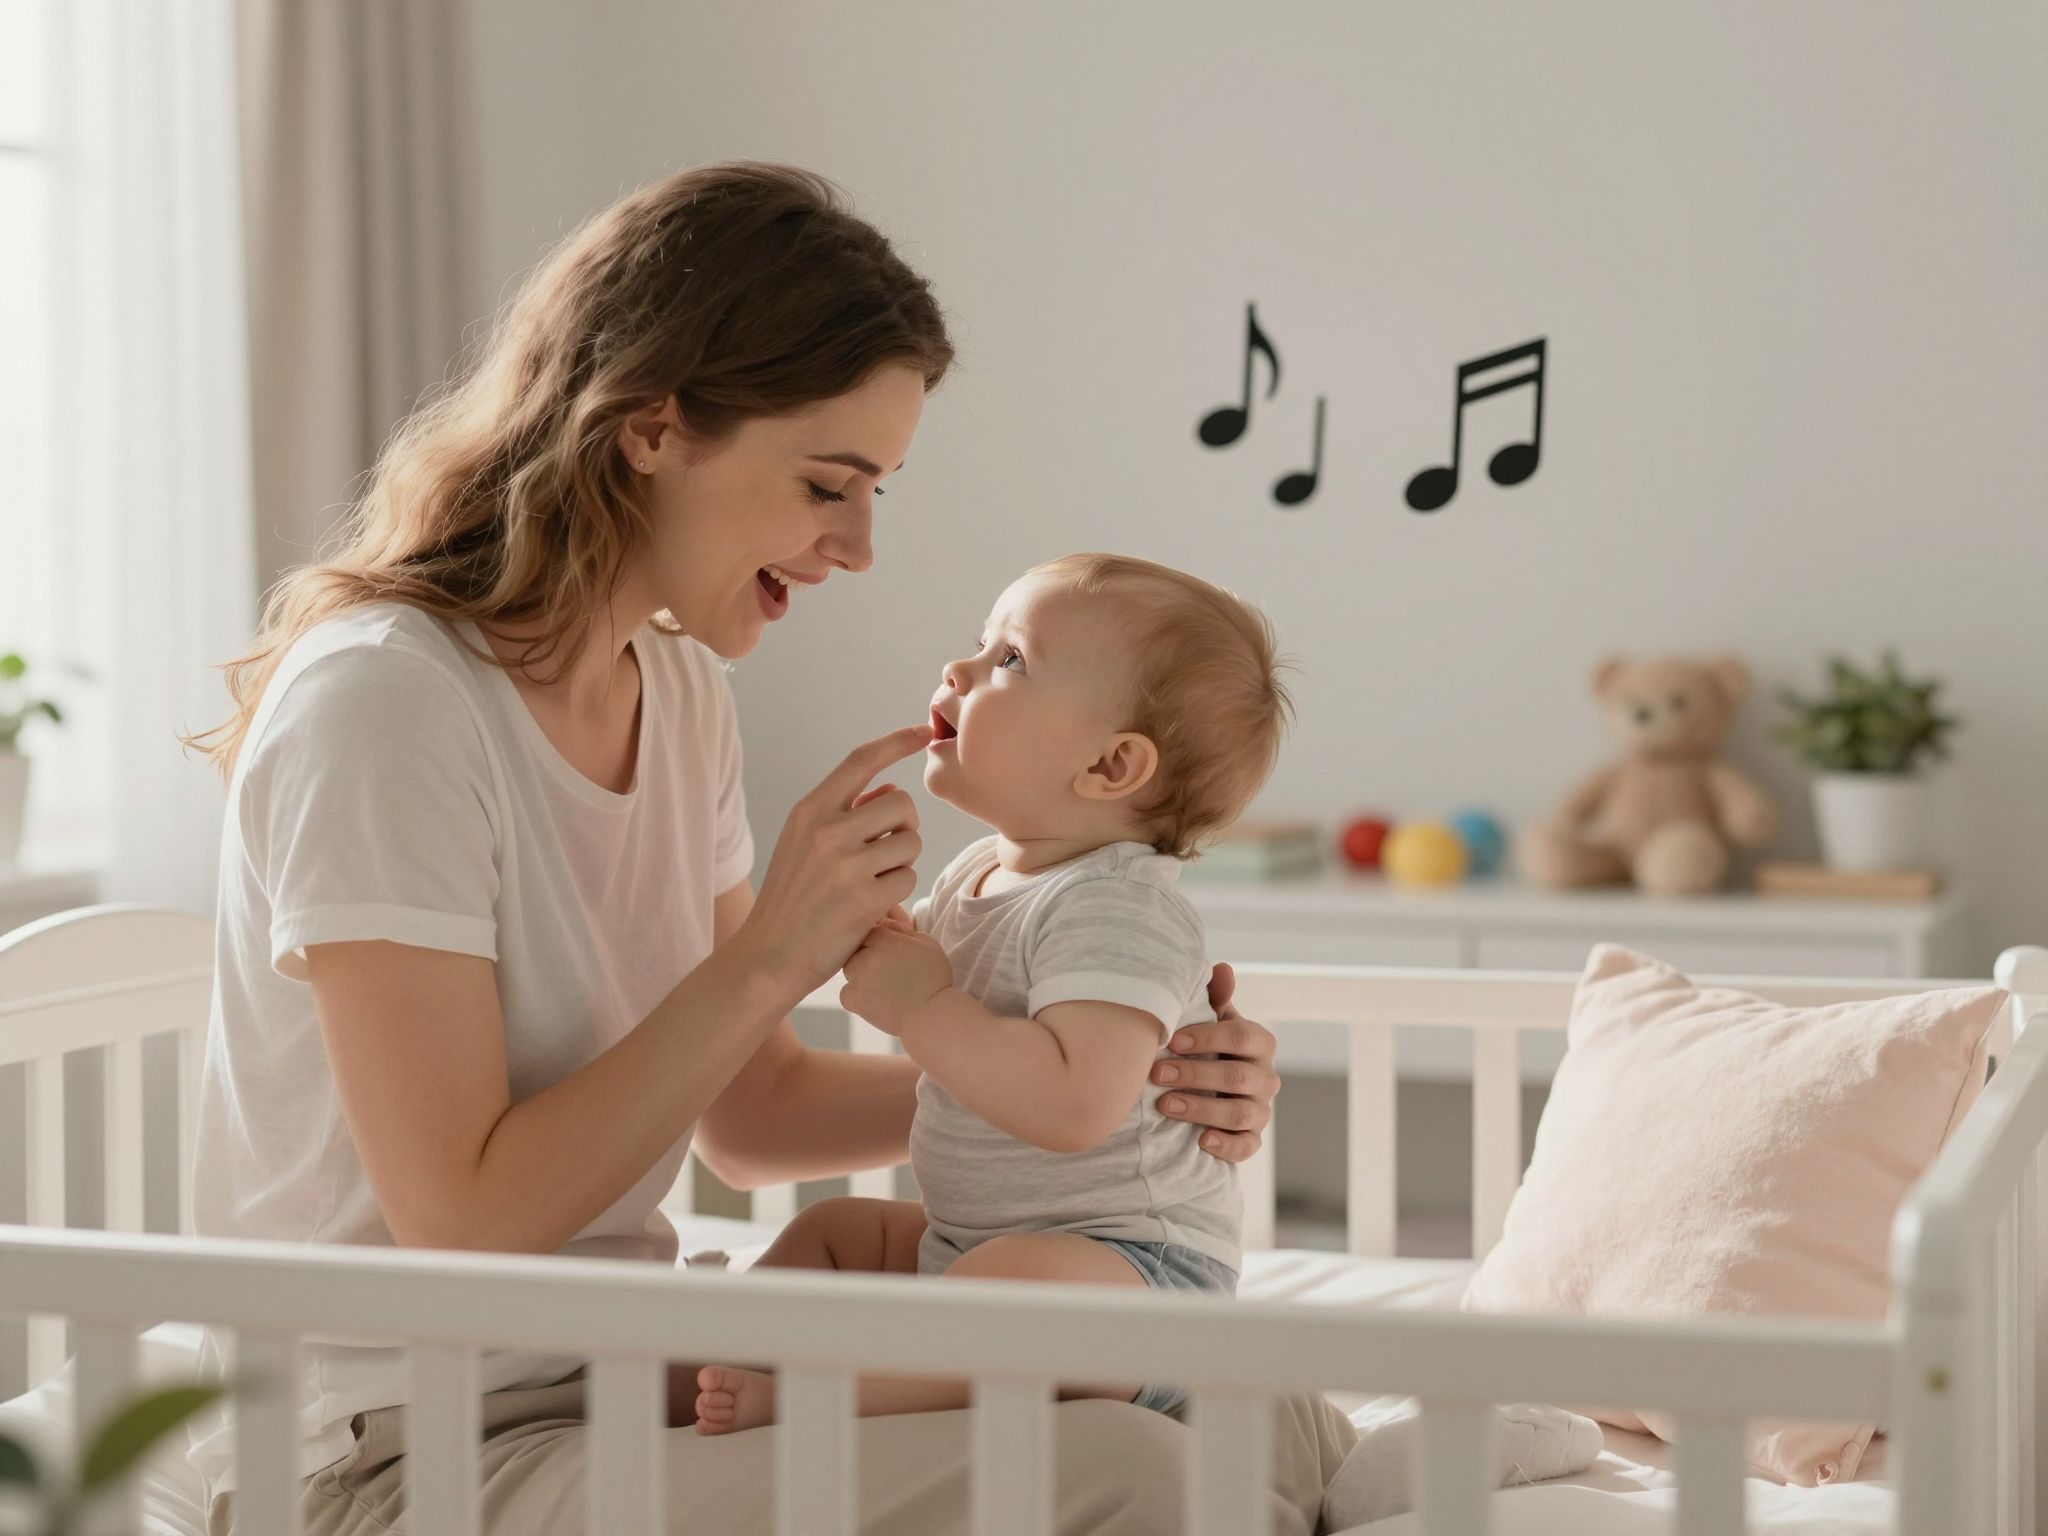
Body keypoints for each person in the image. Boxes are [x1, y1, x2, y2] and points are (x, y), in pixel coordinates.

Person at [183, 162, 1352, 1534]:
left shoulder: (677, 698)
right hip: (404, 1444)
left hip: (620, 1370)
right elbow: (463, 1219)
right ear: (653, 428)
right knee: (1129, 1469)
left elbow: (753, 1117)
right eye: (828, 484)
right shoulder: (386, 701)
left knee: (1249, 1393)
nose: (857, 547)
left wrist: (1109, 1090)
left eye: (877, 493)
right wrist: (766, 956)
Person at [695, 554, 1291, 1433]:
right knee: (839, 1236)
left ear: (1113, 764)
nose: (960, 670)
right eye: (981, 645)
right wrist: (844, 910)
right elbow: (908, 976)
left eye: (1010, 659)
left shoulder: (1119, 905)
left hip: (1136, 1284)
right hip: (969, 1253)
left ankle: (824, 1400)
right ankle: (711, 1366)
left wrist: (921, 1005)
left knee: (1012, 1286)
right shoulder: (981, 870)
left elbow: (1074, 1106)